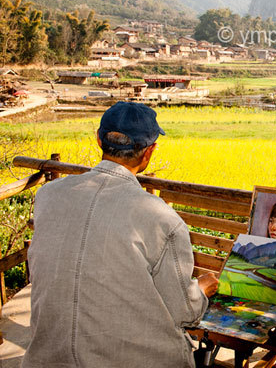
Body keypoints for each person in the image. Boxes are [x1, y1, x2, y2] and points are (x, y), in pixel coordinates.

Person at [22, 101, 219, 368]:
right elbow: (184, 312)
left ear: (99, 140)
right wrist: (203, 289)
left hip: (47, 358)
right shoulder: (162, 219)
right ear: (149, 153)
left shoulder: (49, 195)